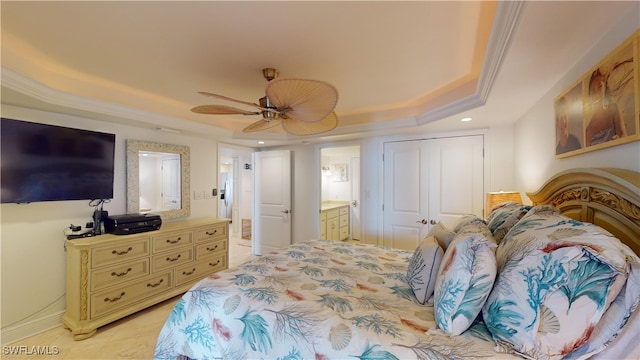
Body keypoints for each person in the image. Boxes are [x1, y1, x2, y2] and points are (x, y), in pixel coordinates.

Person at [584, 68, 627, 146]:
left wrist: (619, 140)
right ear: (590, 96)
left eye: (600, 86)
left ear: (605, 87)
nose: (597, 93)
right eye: (593, 91)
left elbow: (624, 136)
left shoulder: (614, 109)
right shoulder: (588, 130)